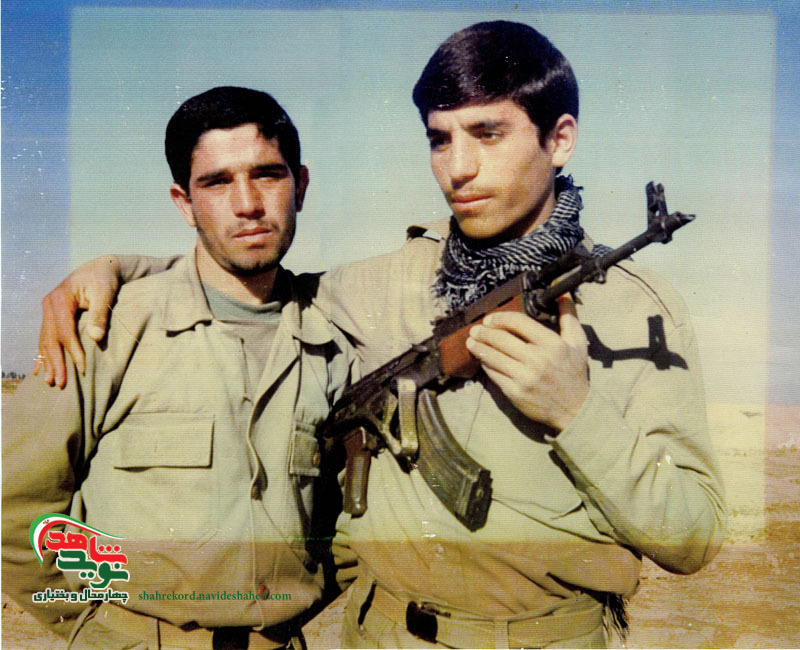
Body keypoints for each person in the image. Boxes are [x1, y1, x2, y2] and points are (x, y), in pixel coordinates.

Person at [32, 21, 726, 649]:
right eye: (440, 139)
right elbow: (243, 274)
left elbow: (693, 535)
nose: (457, 167)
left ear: (560, 138)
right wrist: (113, 271)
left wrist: (578, 413)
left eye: (487, 134)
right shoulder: (375, 286)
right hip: (381, 635)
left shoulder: (638, 313)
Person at [2, 86, 353, 648]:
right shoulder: (107, 330)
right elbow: (14, 509)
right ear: (184, 203)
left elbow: (349, 522)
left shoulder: (336, 339)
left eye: (267, 175)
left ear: (301, 186)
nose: (247, 204)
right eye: (217, 182)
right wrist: (92, 631)